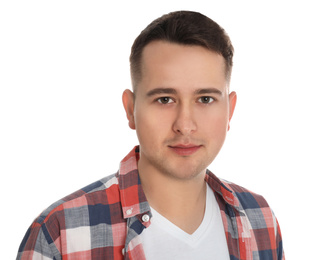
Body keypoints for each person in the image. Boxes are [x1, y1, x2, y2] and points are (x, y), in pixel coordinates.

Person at [17, 11, 284, 260]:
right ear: (131, 109)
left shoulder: (259, 218)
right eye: (165, 99)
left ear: (230, 110)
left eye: (205, 98)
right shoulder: (61, 233)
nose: (185, 125)